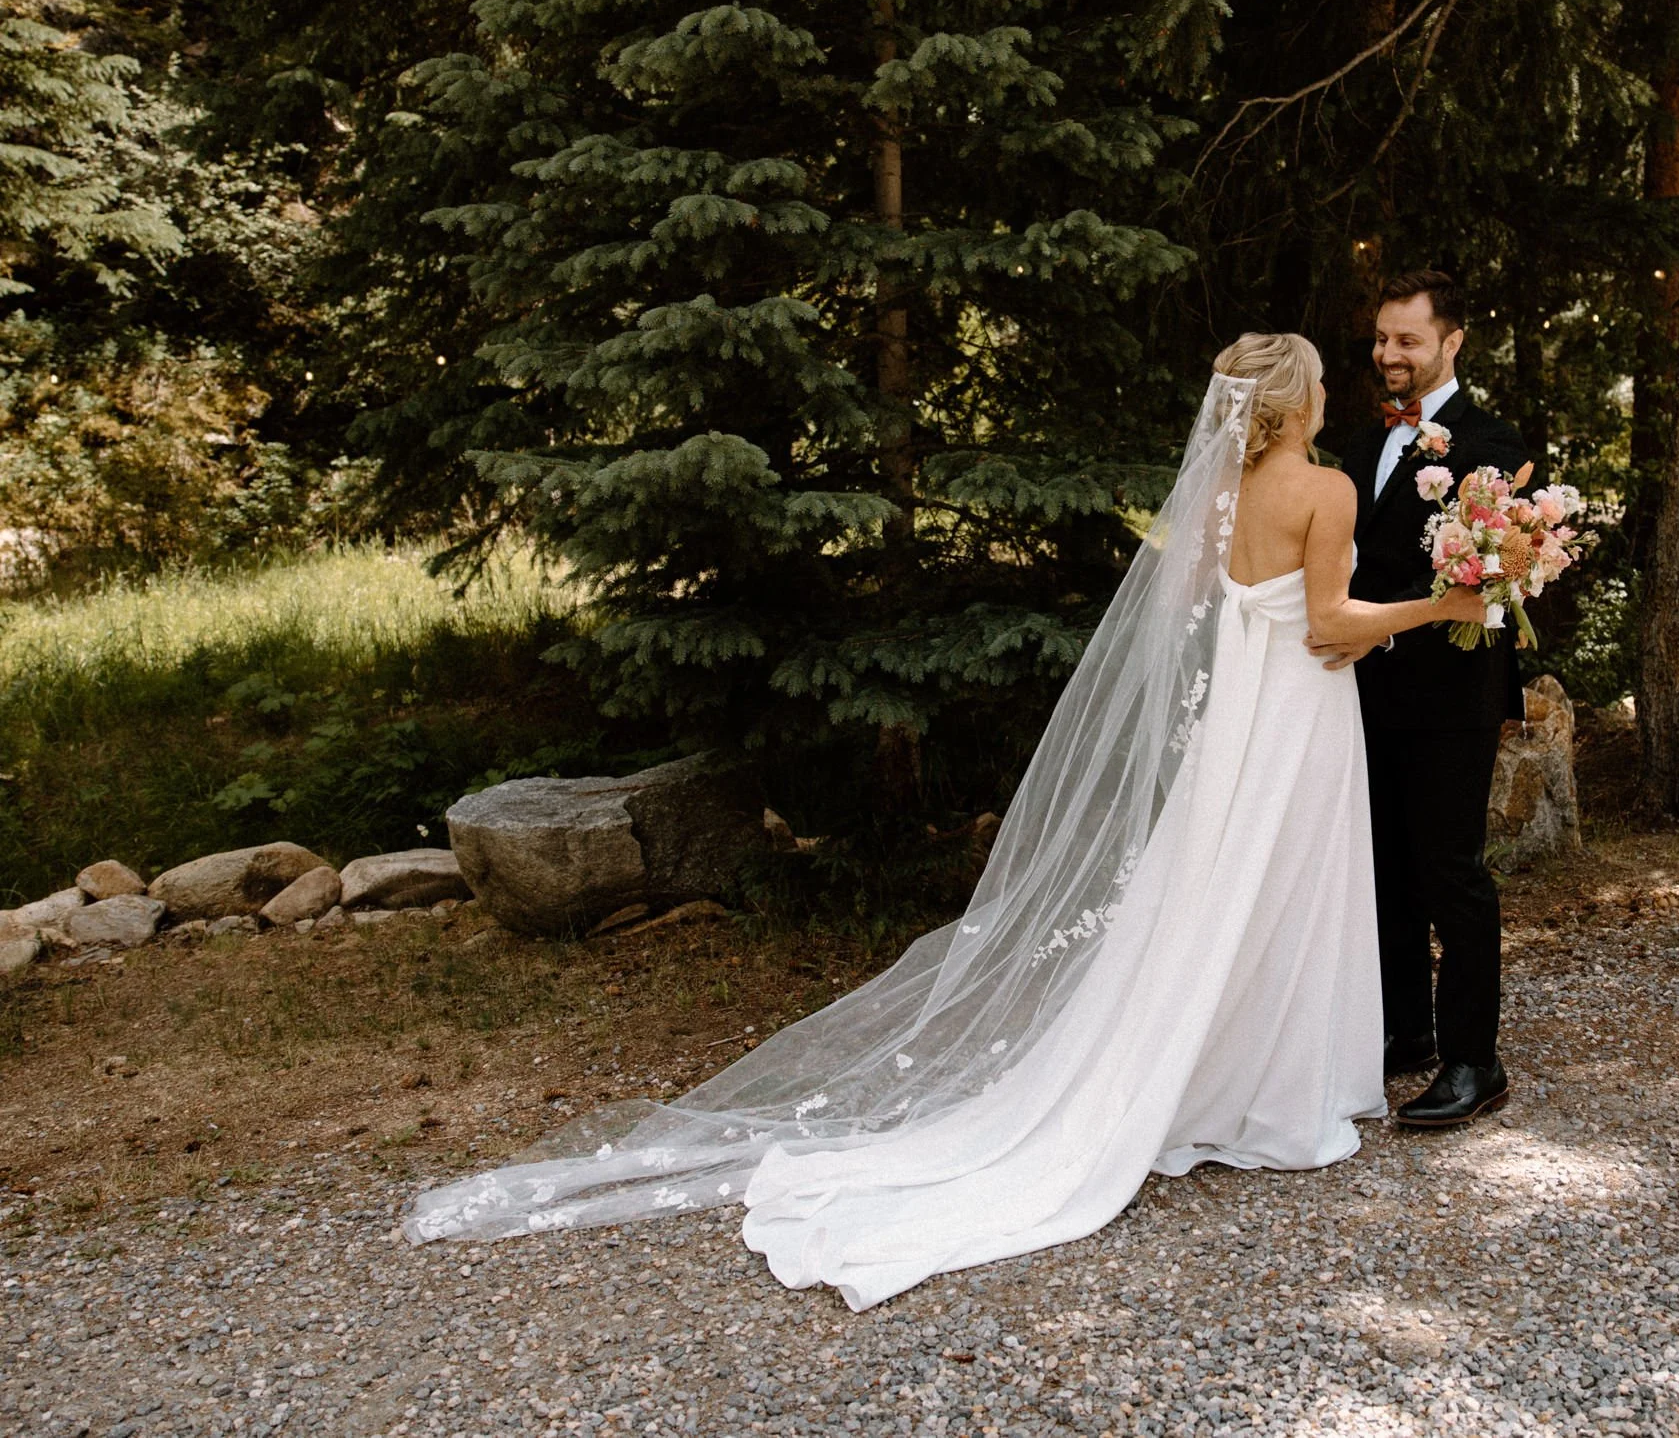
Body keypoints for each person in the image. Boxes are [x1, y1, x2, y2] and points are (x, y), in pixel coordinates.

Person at [403, 333, 1481, 1310]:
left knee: (1216, 886)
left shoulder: (1219, 495)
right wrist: (1444, 604)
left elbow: (1199, 604)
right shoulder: (1325, 488)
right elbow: (1332, 623)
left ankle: (1213, 1070)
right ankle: (1268, 1089)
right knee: (1283, 884)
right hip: (1293, 715)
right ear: (1293, 404)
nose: (1337, 387)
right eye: (1323, 382)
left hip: (1240, 712)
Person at [1307, 269, 1527, 1129]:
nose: (1387, 354)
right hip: (1361, 691)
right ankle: (1406, 1034)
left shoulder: (1495, 445)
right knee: (1384, 869)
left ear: (1452, 342)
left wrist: (1378, 622)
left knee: (1450, 872)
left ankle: (1477, 1058)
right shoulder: (1360, 447)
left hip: (1450, 694)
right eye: (1381, 338)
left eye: (1407, 339)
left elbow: (1484, 585)